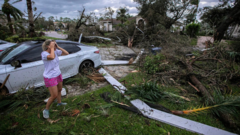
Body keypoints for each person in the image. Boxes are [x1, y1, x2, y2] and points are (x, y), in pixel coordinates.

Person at [41, 39, 69, 119]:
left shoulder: (55, 51)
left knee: (60, 89)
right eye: (53, 44)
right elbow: (52, 57)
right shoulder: (44, 54)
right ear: (47, 46)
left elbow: (66, 53)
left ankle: (59, 103)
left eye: (55, 44)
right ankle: (46, 110)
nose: (54, 46)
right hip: (50, 77)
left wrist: (58, 47)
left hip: (58, 74)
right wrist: (53, 48)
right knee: (54, 95)